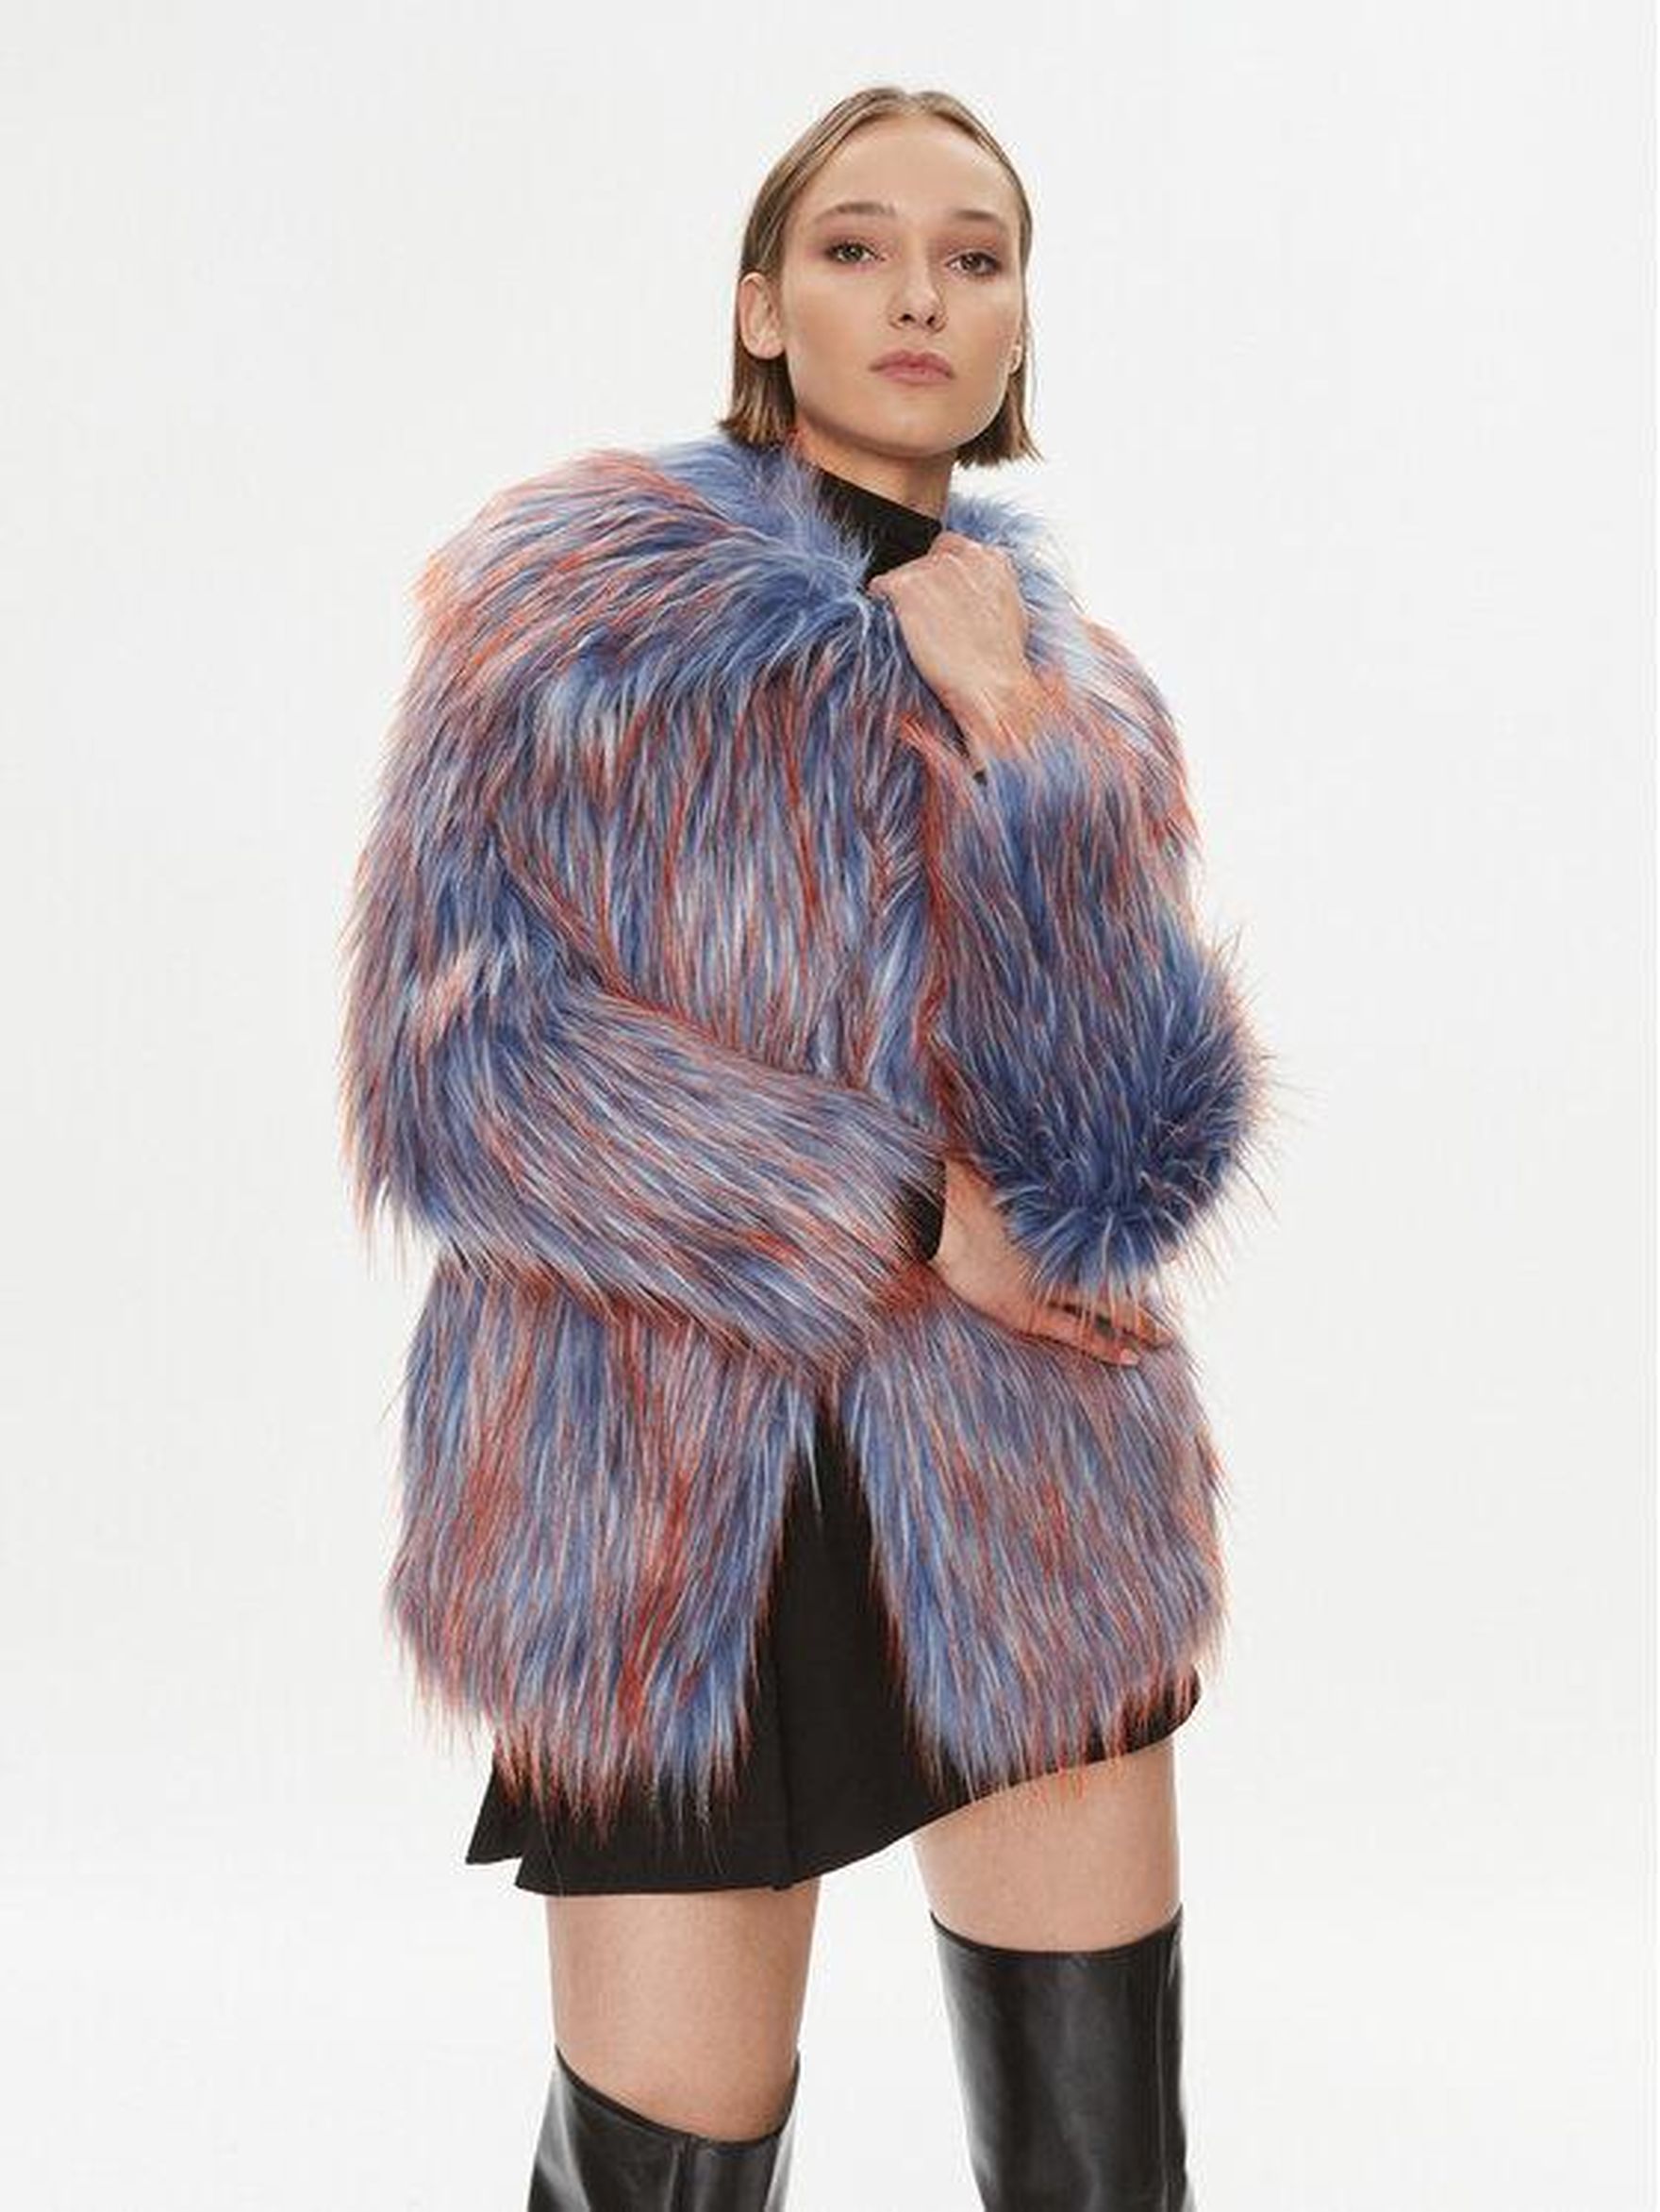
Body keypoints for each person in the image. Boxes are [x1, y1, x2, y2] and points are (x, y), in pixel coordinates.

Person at [340, 81, 1269, 2211]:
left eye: (973, 254)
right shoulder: (572, 610)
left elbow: (1129, 1164)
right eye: (857, 247)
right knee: (660, 2158)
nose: (919, 292)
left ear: (1018, 324)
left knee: (1101, 2169)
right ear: (762, 306)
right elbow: (458, 1064)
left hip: (1022, 1494)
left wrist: (1021, 737)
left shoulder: (1078, 696)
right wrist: (901, 1209)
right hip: (658, 1501)